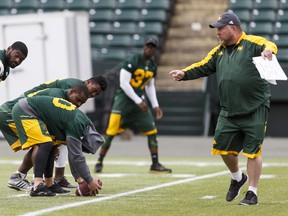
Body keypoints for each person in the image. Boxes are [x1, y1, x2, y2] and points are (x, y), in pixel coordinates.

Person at [169, 12, 277, 205]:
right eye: (216, 29)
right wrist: (184, 73)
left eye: (220, 28)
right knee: (222, 149)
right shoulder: (218, 51)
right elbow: (202, 65)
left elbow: (269, 44)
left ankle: (252, 192)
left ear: (233, 27)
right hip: (229, 110)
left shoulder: (251, 42)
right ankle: (237, 178)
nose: (217, 32)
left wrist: (268, 51)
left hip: (255, 107)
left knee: (253, 152)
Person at [0, 76, 108, 190]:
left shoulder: (72, 96)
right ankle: (35, 181)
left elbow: (73, 149)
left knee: (49, 143)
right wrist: (88, 180)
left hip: (25, 110)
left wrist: (79, 177)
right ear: (88, 82)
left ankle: (44, 181)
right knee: (44, 143)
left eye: (96, 94)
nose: (93, 94)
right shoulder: (67, 91)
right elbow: (75, 153)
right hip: (11, 112)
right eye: (94, 90)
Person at [94, 36, 171, 173]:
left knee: (152, 131)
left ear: (155, 50)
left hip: (139, 104)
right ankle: (99, 161)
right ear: (144, 46)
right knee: (111, 133)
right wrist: (138, 101)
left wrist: (155, 105)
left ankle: (155, 163)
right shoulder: (133, 60)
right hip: (123, 103)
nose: (149, 49)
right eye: (148, 46)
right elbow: (124, 84)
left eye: (152, 47)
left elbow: (150, 86)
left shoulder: (152, 65)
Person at [12, 95, 104, 196]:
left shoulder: (84, 124)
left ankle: (49, 183)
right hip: (26, 109)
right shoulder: (77, 125)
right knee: (46, 144)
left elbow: (73, 155)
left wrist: (80, 179)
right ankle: (37, 185)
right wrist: (90, 181)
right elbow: (77, 156)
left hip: (37, 112)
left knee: (52, 146)